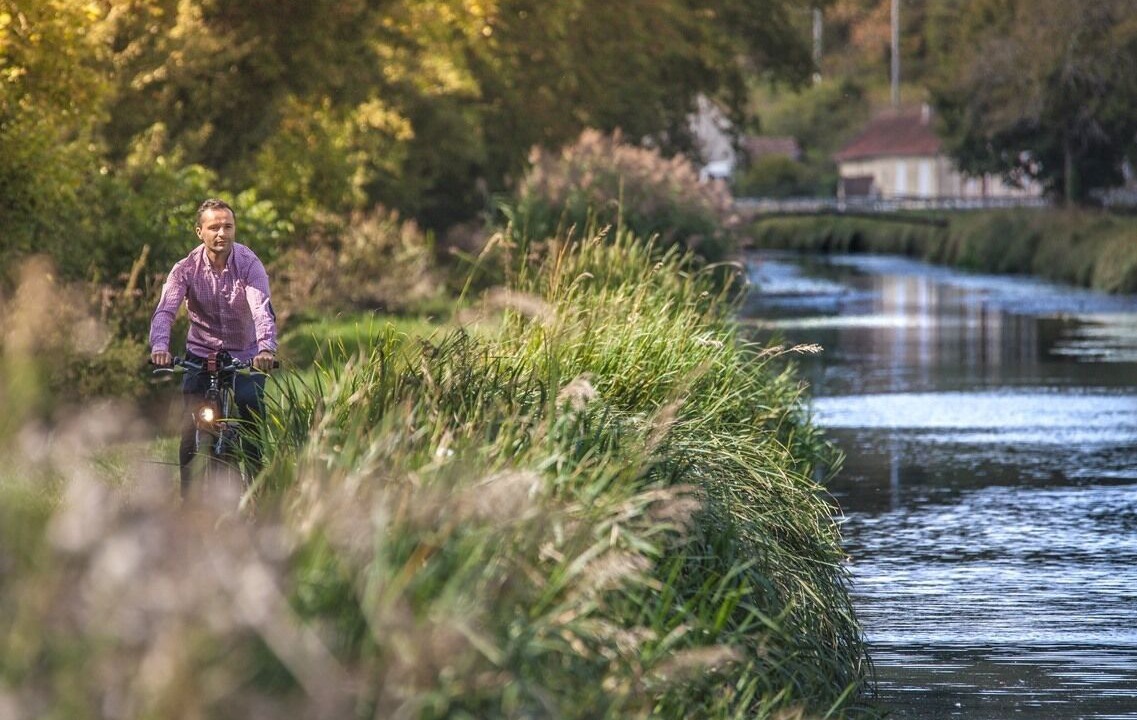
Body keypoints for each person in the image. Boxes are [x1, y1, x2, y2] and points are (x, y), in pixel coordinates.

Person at [150, 198, 279, 498]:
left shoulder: (249, 265)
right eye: (214, 227)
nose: (222, 233)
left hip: (246, 353)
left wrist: (266, 350)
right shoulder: (185, 269)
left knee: (249, 406)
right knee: (188, 427)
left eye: (228, 226)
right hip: (201, 353)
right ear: (200, 232)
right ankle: (188, 501)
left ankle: (258, 486)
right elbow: (166, 310)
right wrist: (160, 347)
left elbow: (261, 309)